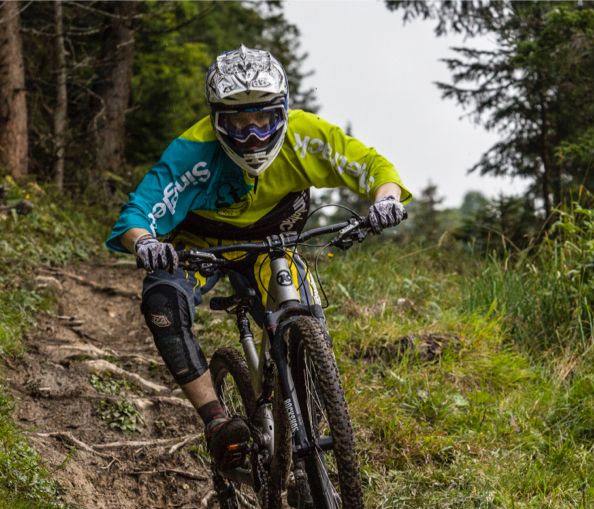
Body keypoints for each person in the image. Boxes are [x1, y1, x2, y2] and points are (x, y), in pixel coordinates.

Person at [106, 45, 410, 472]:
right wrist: (144, 243)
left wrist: (386, 199)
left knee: (303, 313)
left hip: (275, 243)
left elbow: (372, 166)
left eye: (264, 120)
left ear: (283, 112)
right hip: (203, 247)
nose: (253, 136)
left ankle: (307, 420)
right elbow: (137, 214)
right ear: (217, 121)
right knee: (162, 301)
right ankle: (216, 421)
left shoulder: (306, 135)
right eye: (238, 123)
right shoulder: (191, 150)